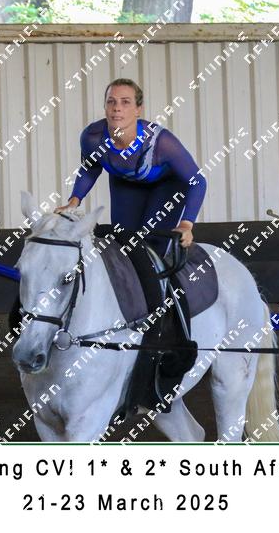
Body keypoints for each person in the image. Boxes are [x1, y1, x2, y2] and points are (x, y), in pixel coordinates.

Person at [53, 78, 207, 417]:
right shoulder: (93, 136)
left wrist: (187, 223)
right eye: (111, 102)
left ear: (139, 109)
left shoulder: (161, 143)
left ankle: (166, 327)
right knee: (122, 246)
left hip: (164, 188)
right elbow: (91, 167)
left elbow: (197, 180)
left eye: (125, 102)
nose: (117, 108)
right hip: (125, 186)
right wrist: (74, 200)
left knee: (148, 252)